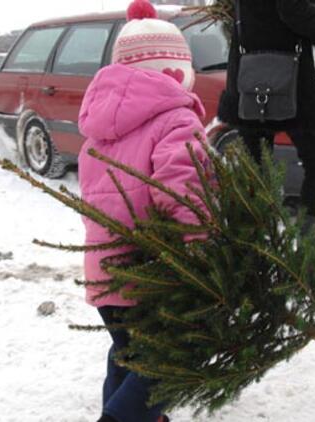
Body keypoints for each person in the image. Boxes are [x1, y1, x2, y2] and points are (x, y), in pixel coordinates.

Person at [76, 1, 210, 421]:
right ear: (176, 71)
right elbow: (186, 189)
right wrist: (202, 247)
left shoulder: (96, 129)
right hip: (152, 271)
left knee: (128, 353)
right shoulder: (175, 120)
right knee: (170, 358)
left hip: (106, 271)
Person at [218, 0, 315, 289]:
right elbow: (294, 10)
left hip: (249, 81)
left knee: (256, 176)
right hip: (296, 89)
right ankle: (306, 263)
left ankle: (250, 266)